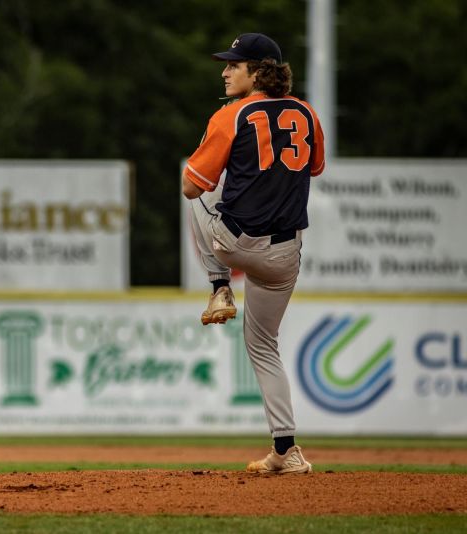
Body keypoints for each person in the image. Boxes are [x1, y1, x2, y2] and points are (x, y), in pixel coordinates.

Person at [182, 33, 325, 474]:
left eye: (234, 65)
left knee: (193, 190)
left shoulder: (232, 115)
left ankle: (219, 287)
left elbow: (192, 184)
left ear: (257, 71)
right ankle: (288, 452)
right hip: (285, 255)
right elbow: (315, 167)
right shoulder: (307, 113)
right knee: (264, 345)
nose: (225, 71)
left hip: (237, 243)